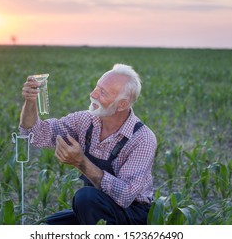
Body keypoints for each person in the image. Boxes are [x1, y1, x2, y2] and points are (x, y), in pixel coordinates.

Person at [19, 64, 157, 225]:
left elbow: (125, 197)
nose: (93, 94)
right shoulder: (86, 120)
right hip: (94, 207)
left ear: (122, 105)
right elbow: (35, 134)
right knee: (44, 227)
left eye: (102, 93)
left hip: (132, 214)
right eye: (96, 87)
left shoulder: (142, 138)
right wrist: (30, 101)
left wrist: (81, 162)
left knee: (85, 198)